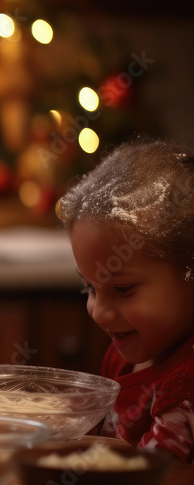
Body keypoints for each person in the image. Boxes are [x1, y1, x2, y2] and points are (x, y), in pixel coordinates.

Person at [58, 139, 194, 463]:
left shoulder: (186, 388)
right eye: (88, 288)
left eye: (123, 289)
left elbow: (142, 474)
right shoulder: (123, 356)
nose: (99, 313)